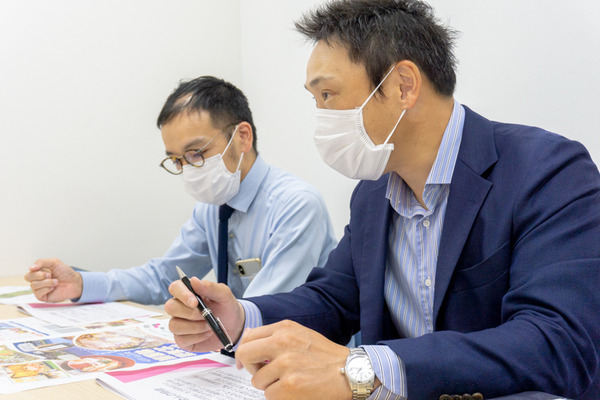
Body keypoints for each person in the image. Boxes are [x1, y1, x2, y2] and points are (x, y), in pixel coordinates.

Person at [165, 1, 600, 400]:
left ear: (403, 86)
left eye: (328, 95)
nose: (321, 118)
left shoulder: (548, 171)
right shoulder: (373, 193)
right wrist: (240, 317)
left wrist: (361, 369)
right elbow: (333, 299)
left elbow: (559, 341)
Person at [25, 76, 337, 305]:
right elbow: (164, 277)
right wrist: (81, 284)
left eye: (196, 153)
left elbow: (267, 310)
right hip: (241, 354)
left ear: (242, 137)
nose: (189, 168)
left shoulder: (296, 205)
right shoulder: (213, 207)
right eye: (177, 160)